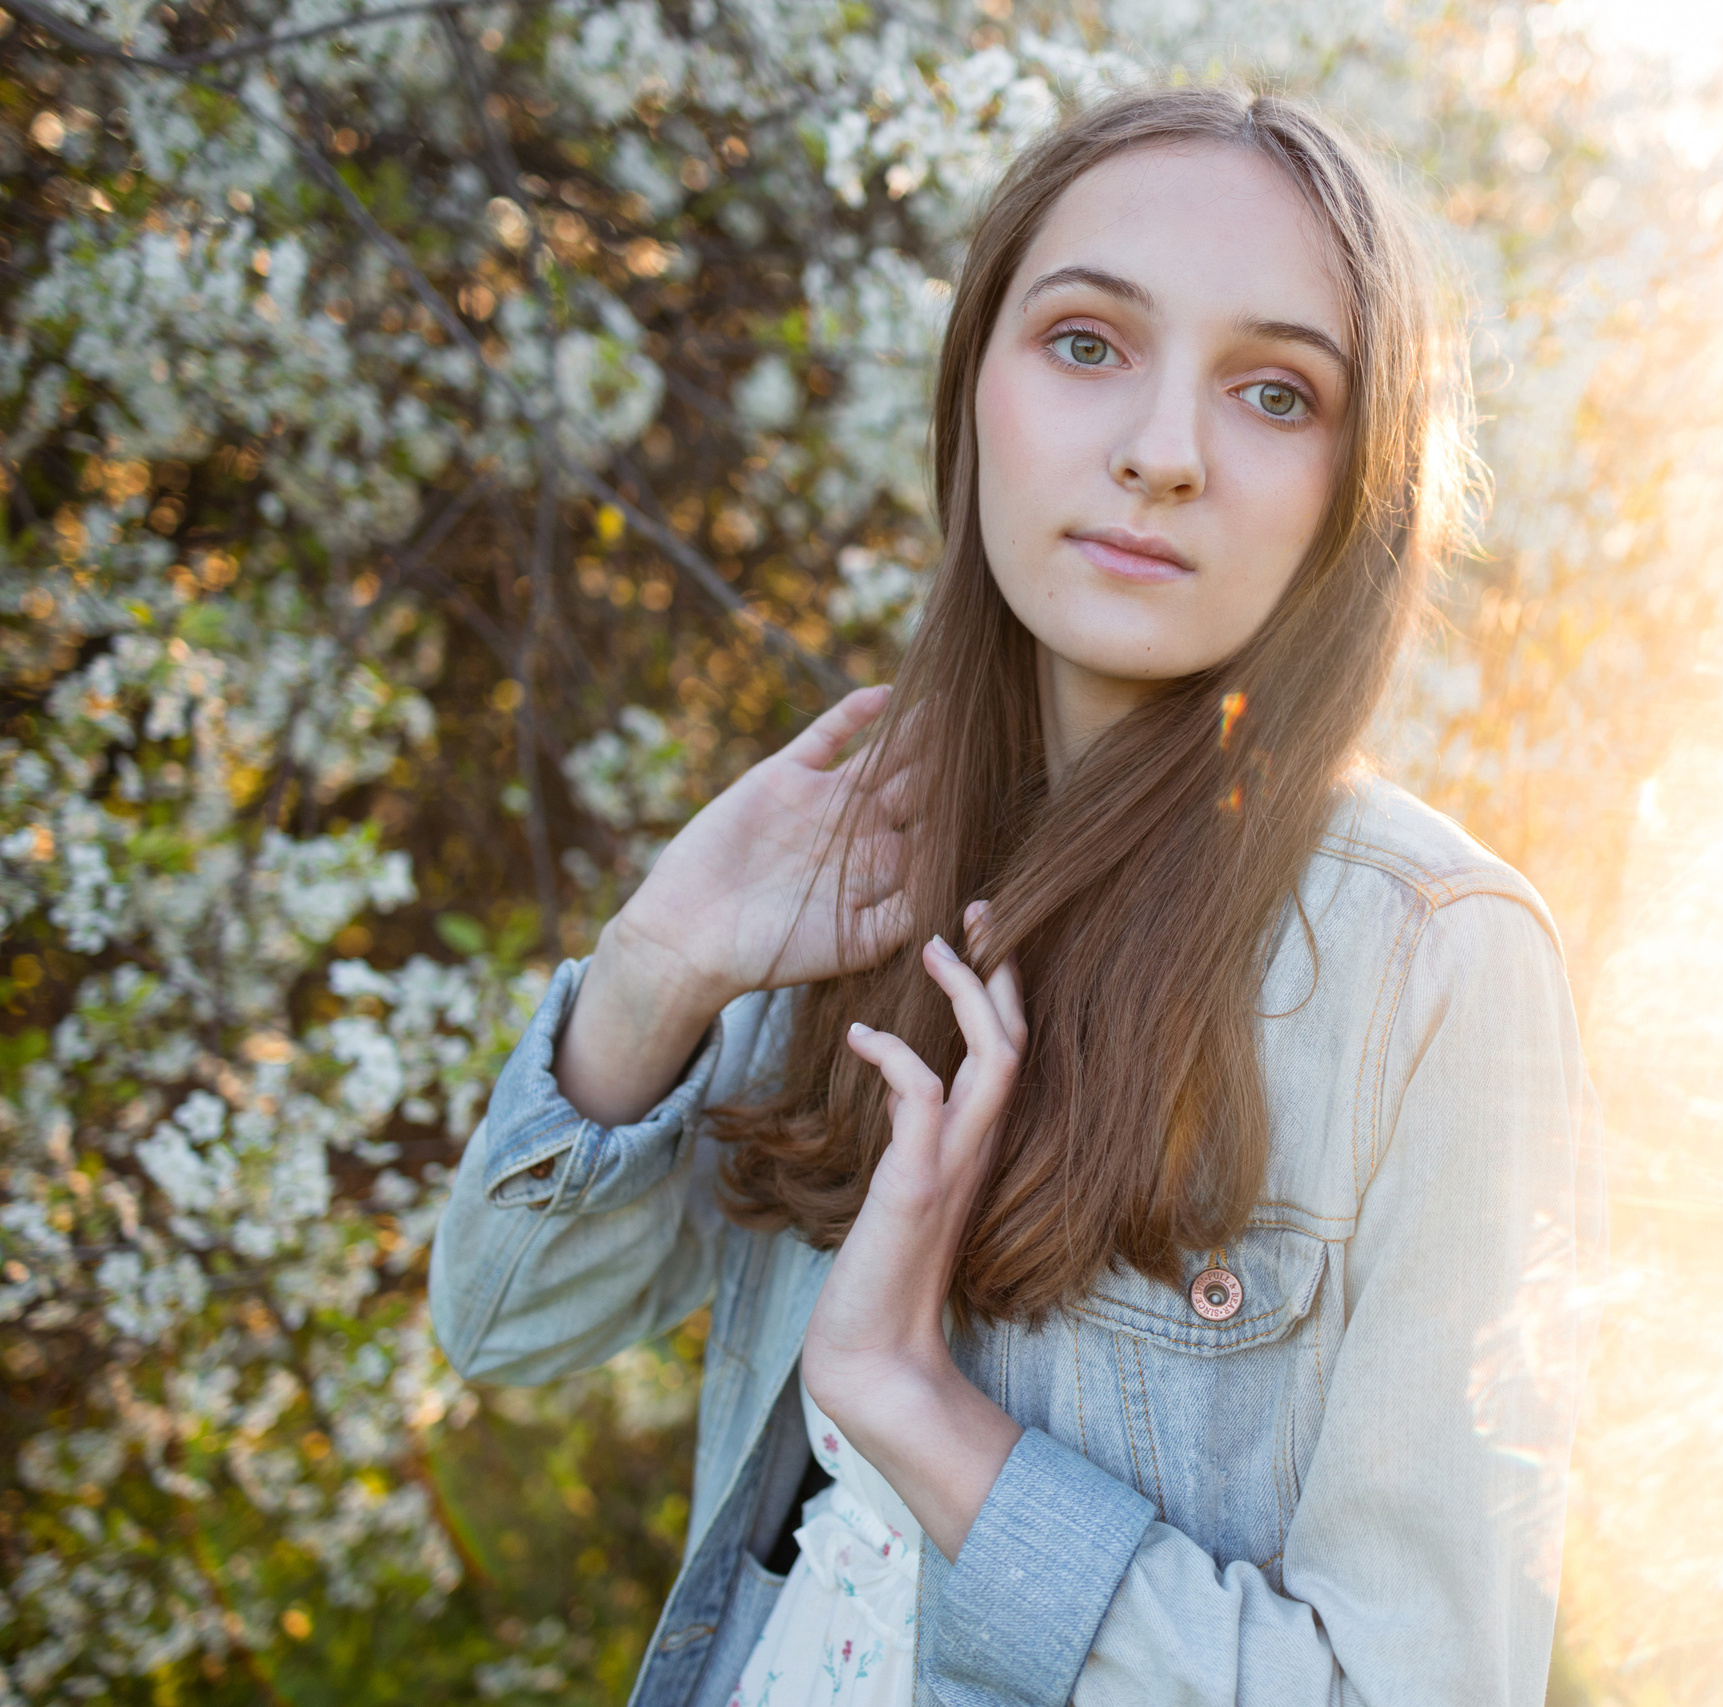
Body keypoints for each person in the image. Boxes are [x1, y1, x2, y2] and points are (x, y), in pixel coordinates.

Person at [428, 84, 1603, 1707]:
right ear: (976, 382)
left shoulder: (1432, 965)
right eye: (1087, 345)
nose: (1160, 454)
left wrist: (922, 1413)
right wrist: (660, 967)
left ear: (1361, 483)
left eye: (1275, 394)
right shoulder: (870, 860)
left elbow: (1414, 1688)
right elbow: (505, 1321)